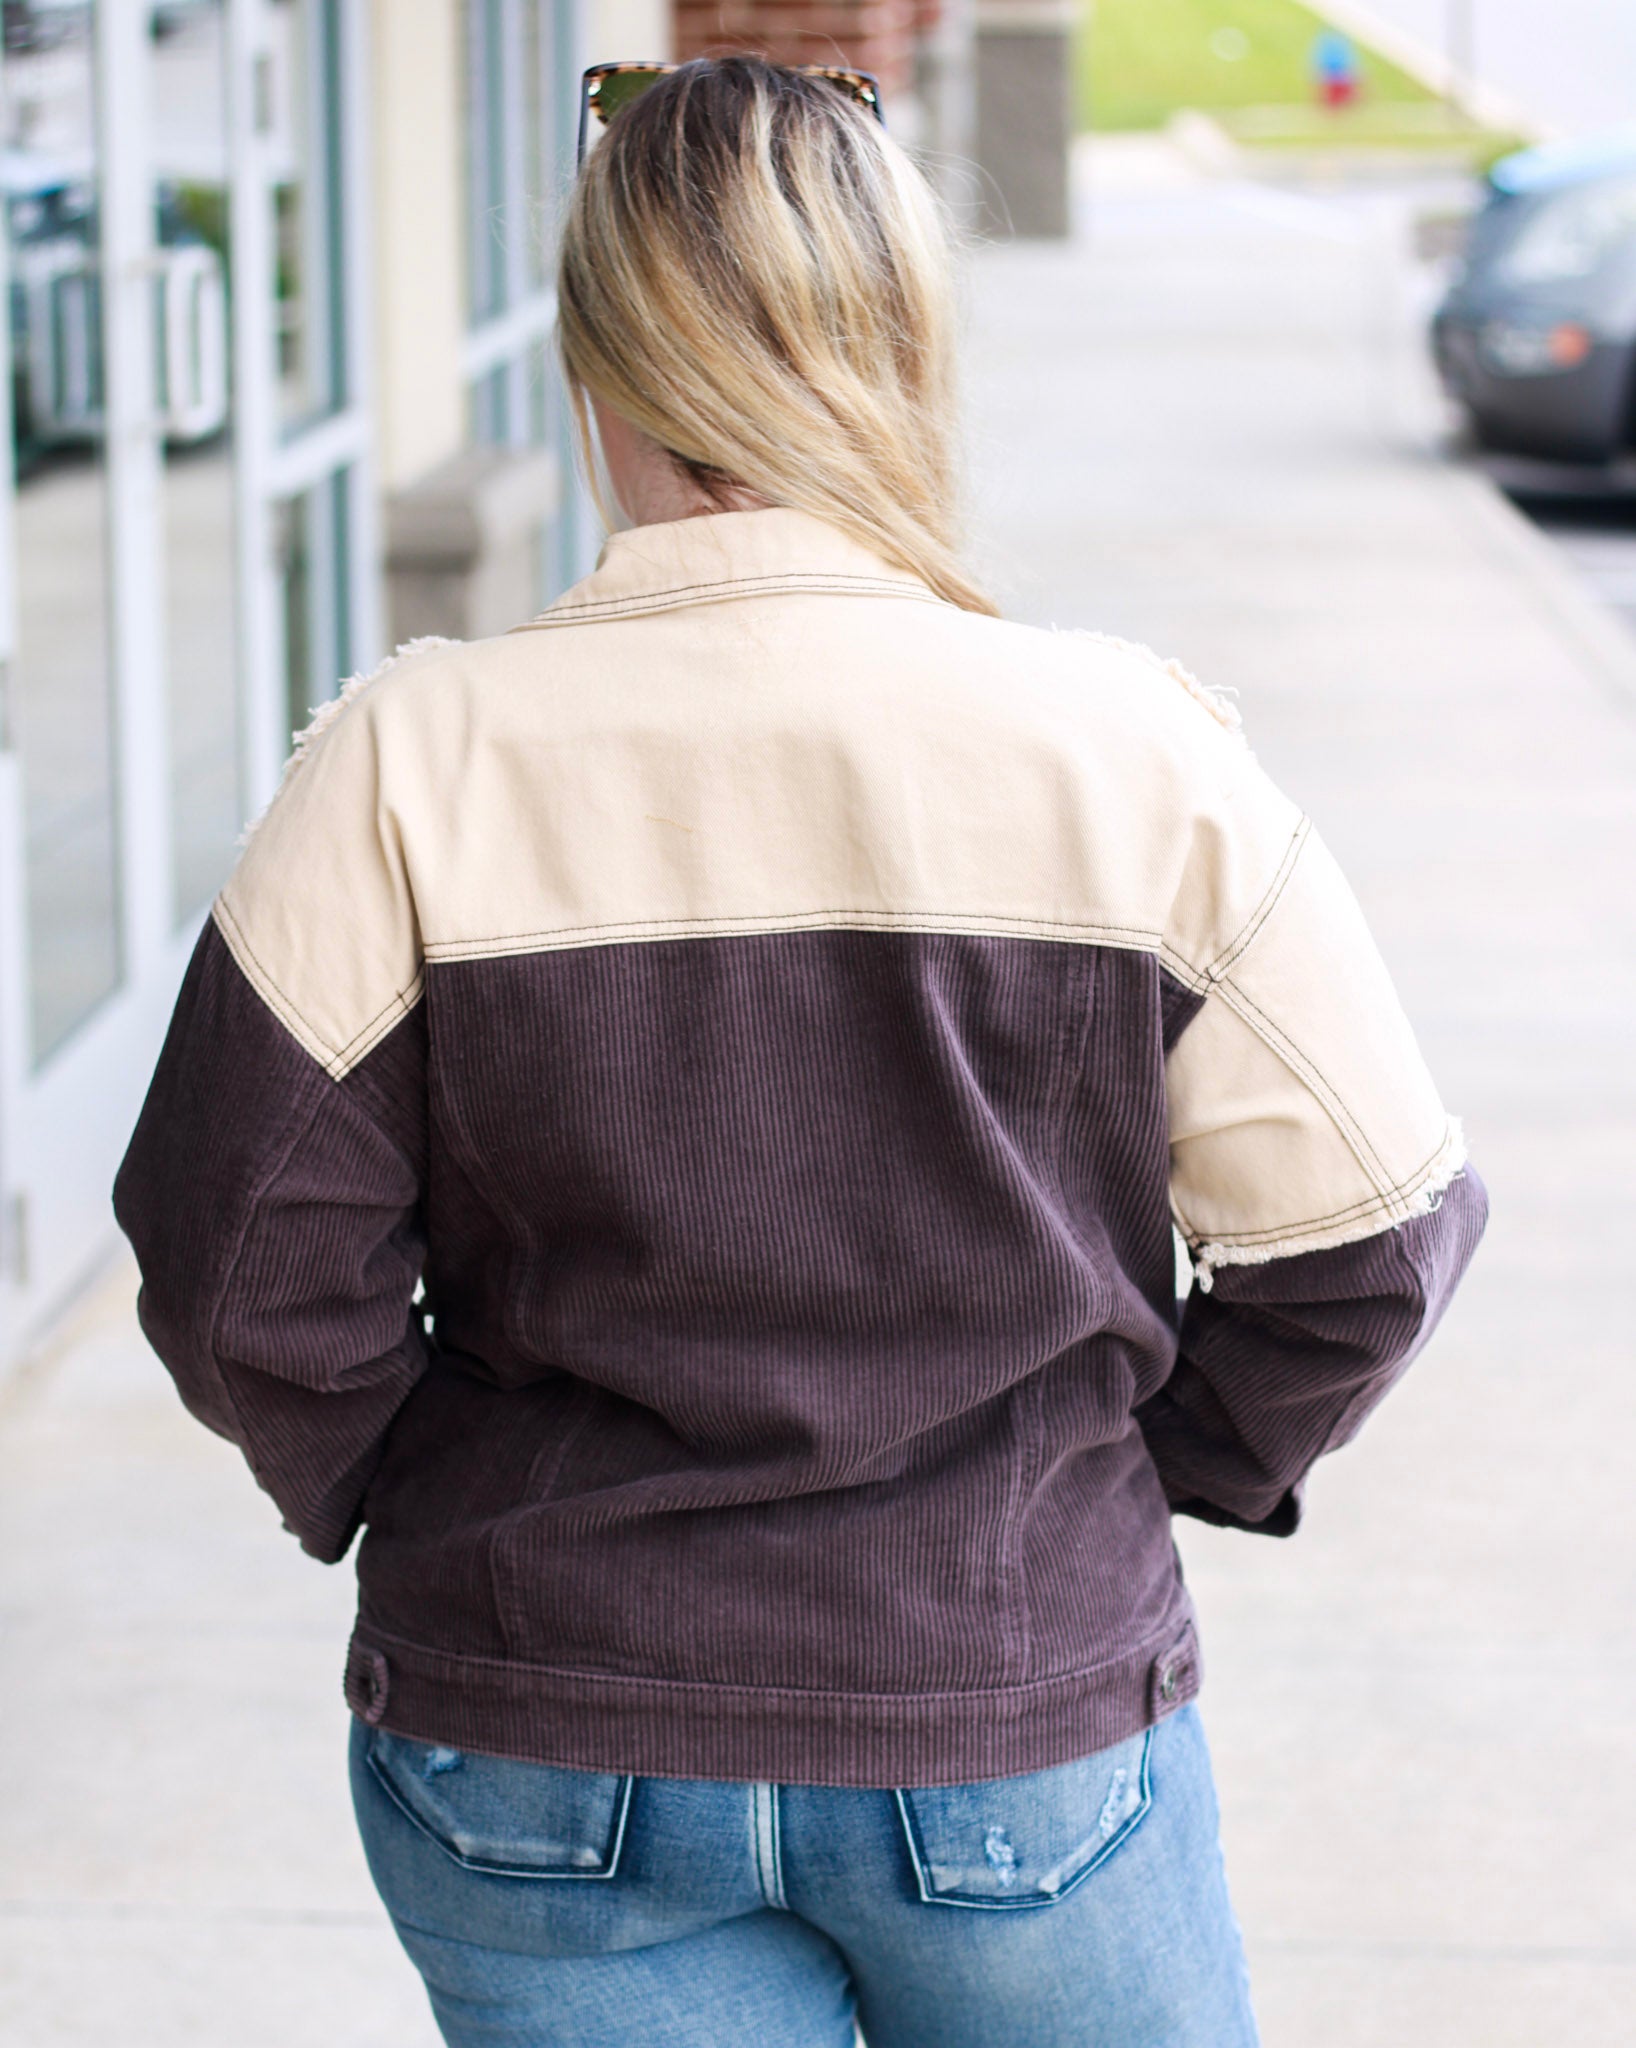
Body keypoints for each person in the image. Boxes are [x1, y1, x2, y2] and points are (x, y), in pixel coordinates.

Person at [113, 55, 1487, 2048]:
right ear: (901, 352)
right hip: (1007, 1715)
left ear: (601, 374)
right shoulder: (1130, 757)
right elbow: (1370, 1243)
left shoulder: (410, 762)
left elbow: (234, 1267)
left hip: (539, 1735)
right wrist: (1138, 1475)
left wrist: (438, 1495)